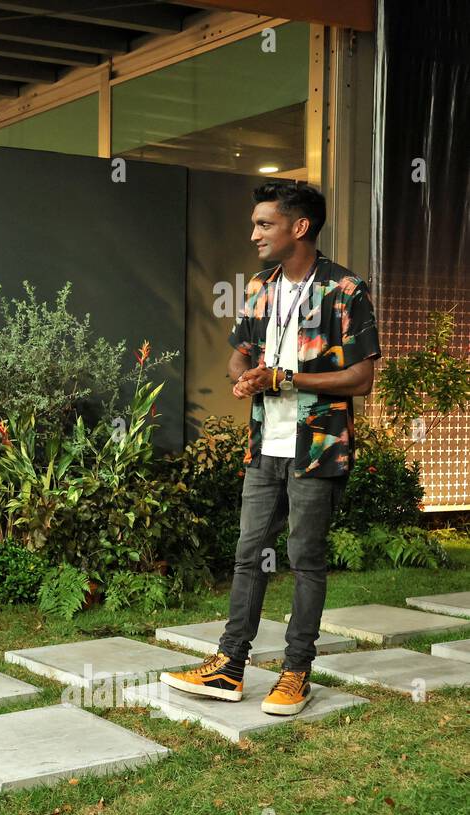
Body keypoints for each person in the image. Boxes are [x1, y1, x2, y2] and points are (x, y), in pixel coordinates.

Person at [160, 181, 381, 716]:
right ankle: (229, 666)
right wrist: (246, 379)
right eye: (255, 224)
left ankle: (295, 673)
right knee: (247, 557)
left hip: (317, 448)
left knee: (305, 559)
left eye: (265, 224)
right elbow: (239, 357)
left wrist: (289, 378)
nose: (254, 233)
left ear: (299, 227)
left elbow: (362, 377)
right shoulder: (261, 286)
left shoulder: (345, 290)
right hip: (265, 448)